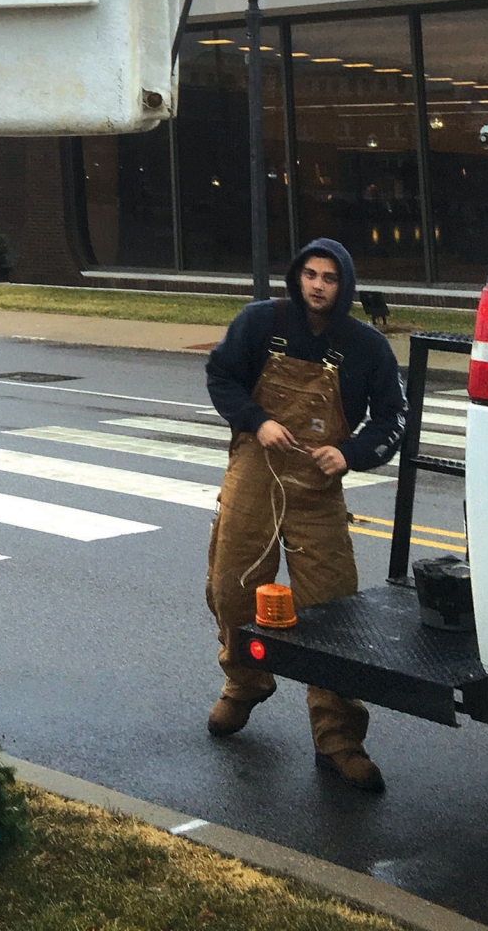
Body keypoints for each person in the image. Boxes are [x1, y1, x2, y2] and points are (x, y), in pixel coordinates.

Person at [204, 239, 406, 790]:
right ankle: (244, 683)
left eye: (330, 278)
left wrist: (352, 453)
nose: (318, 285)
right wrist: (254, 418)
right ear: (298, 278)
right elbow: (220, 375)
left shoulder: (366, 347)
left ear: (346, 286)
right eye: (310, 275)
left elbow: (393, 417)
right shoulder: (259, 322)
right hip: (256, 470)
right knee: (231, 586)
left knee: (333, 615)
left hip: (319, 488)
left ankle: (340, 741)